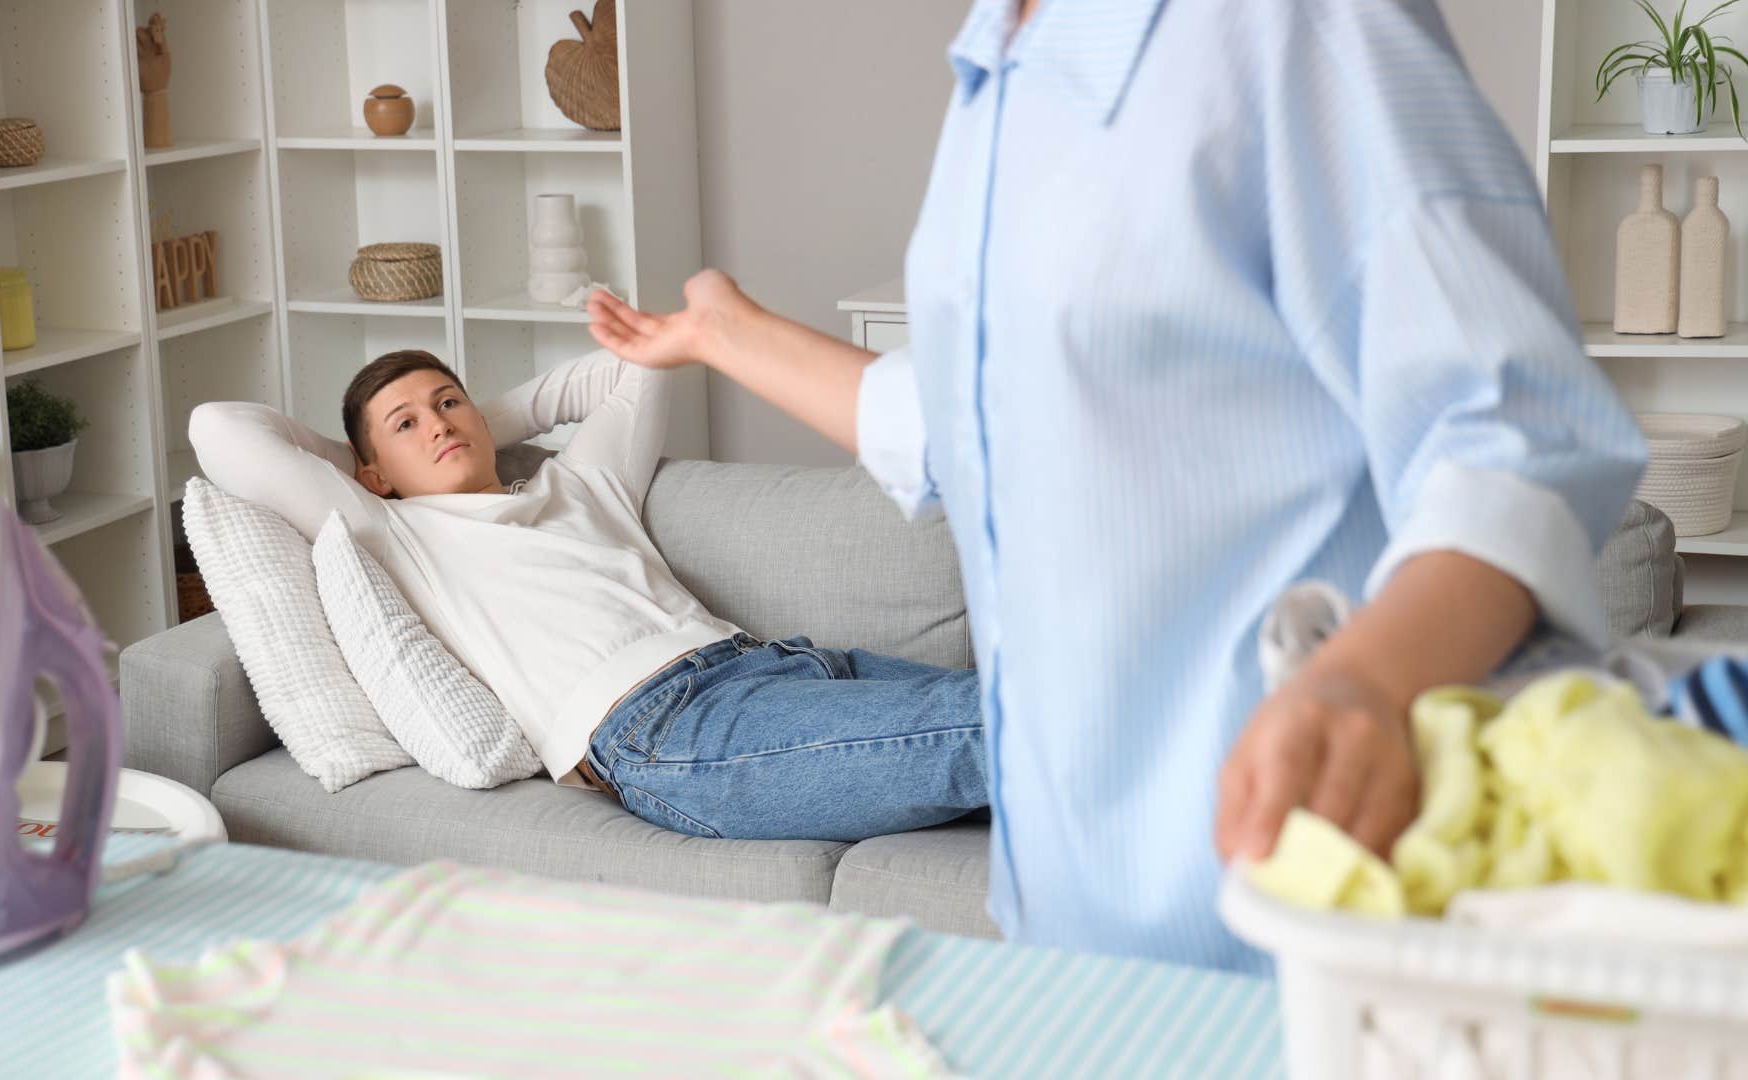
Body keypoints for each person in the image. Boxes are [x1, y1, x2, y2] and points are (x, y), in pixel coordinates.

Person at [586, 0, 1648, 972]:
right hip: (1066, 929)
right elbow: (985, 431)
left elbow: (1517, 430)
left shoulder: (1294, 22)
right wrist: (736, 337)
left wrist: (1362, 680)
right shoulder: (999, 69)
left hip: (1316, 927)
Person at [190, 348, 987, 842]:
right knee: (1004, 732)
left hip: (777, 666)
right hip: (667, 731)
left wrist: (477, 419)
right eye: (405, 424)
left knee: (1023, 713)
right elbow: (216, 427)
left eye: (446, 402)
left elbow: (640, 363)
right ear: (370, 474)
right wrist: (370, 464)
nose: (437, 423)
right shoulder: (386, 530)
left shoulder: (580, 484)